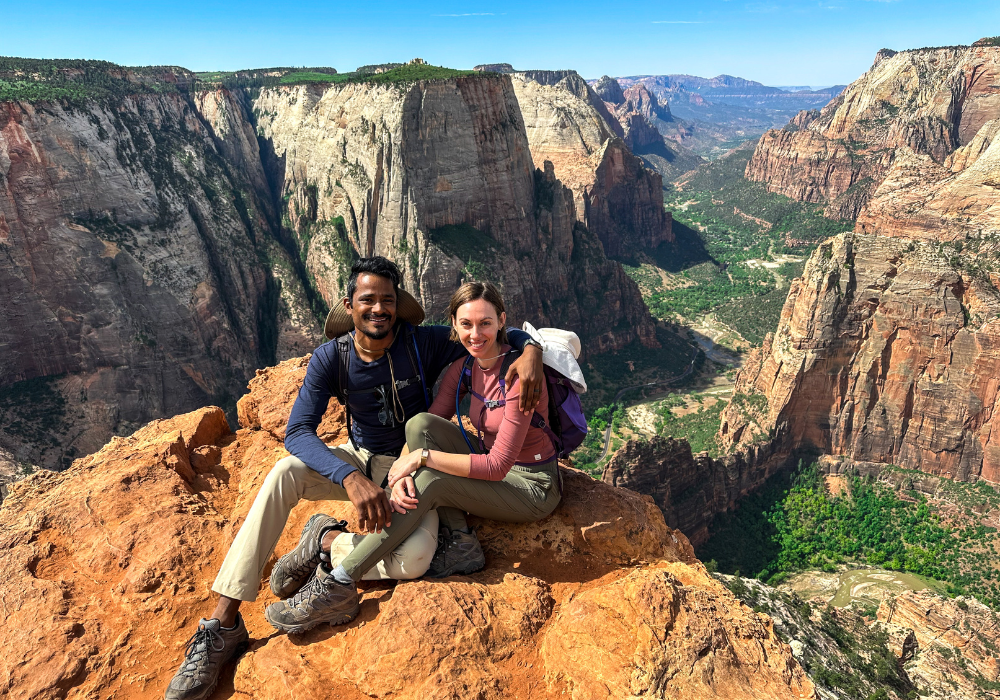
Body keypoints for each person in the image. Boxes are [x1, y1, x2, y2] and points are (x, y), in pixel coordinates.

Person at [164, 258, 545, 700]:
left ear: (398, 305)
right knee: (285, 472)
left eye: (388, 300)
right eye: (368, 300)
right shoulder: (333, 356)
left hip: (408, 465)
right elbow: (297, 431)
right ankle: (223, 622)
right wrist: (347, 476)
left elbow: (487, 331)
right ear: (350, 304)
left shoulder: (422, 343)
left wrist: (531, 348)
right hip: (357, 459)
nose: (379, 309)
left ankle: (326, 541)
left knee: (417, 559)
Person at [263, 281, 562, 634]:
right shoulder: (465, 368)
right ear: (453, 324)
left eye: (485, 323)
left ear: (501, 322)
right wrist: (400, 474)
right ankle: (460, 541)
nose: (476, 333)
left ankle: (339, 581)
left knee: (432, 478)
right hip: (492, 467)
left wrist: (421, 459)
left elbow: (496, 467)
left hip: (531, 485)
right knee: (421, 423)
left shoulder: (520, 376)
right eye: (466, 324)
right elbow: (424, 428)